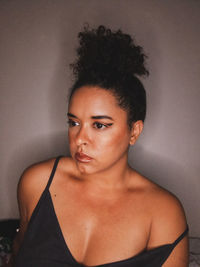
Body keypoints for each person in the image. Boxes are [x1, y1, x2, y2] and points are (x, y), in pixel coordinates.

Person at [11, 25, 188, 267]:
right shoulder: (37, 182)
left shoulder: (163, 213)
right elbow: (18, 251)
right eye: (74, 122)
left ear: (133, 131)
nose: (80, 138)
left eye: (100, 125)